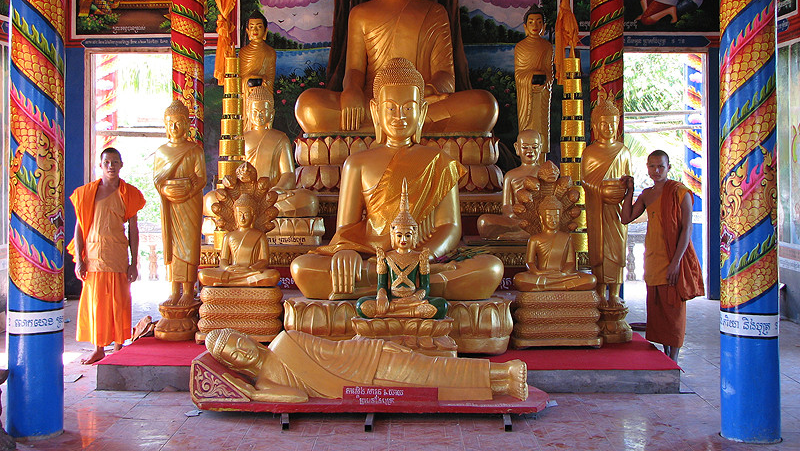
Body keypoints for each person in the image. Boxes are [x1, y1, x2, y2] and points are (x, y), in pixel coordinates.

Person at [290, 58, 504, 301]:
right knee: (303, 267)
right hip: (373, 258)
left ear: (422, 111)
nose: (399, 116)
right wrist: (346, 250)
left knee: (489, 268)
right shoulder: (357, 163)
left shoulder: (439, 160)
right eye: (390, 108)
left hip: (424, 259)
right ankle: (409, 286)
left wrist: (421, 258)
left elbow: (450, 227)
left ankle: (382, 286)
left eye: (408, 108)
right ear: (375, 111)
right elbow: (346, 229)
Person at [294, 0, 497, 134]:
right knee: (309, 105)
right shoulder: (361, 14)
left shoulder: (435, 13)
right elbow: (354, 69)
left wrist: (428, 89)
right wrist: (352, 90)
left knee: (483, 104)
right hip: (375, 106)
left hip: (418, 106)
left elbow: (446, 75)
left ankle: (370, 137)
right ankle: (409, 134)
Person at [205, 328, 528, 402]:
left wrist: (371, 346)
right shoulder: (265, 384)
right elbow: (297, 398)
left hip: (368, 361)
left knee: (431, 370)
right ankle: (501, 383)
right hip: (361, 386)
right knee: (432, 386)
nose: (241, 351)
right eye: (232, 355)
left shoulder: (285, 340)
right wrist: (251, 394)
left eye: (239, 342)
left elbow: (334, 349)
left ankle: (504, 371)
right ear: (231, 364)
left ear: (248, 338)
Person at [621, 150, 704, 361]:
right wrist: (629, 191)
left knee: (673, 308)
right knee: (657, 308)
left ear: (669, 168)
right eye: (652, 166)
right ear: (647, 167)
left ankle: (673, 355)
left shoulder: (680, 192)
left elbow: (687, 230)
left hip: (672, 257)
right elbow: (626, 217)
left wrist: (675, 262)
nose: (656, 171)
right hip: (653, 258)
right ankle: (665, 354)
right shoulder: (647, 194)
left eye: (660, 167)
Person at [69, 147, 145, 364]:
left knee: (120, 301)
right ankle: (99, 347)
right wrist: (79, 258)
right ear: (100, 165)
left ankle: (119, 345)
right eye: (107, 162)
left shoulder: (129, 193)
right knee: (97, 303)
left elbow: (133, 230)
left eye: (115, 162)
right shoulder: (87, 193)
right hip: (93, 254)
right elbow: (80, 227)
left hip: (118, 254)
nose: (111, 166)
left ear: (121, 165)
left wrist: (134, 262)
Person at [356, 179, 447, 319]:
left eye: (407, 235)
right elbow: (382, 284)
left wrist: (416, 297)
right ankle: (406, 313)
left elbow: (425, 286)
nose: (403, 240)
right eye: (399, 235)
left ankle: (393, 313)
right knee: (361, 305)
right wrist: (381, 297)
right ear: (393, 235)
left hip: (412, 301)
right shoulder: (387, 257)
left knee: (441, 306)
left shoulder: (420, 257)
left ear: (414, 235)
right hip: (391, 300)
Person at [581, 89, 631, 306]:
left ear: (618, 124)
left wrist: (624, 188)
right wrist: (601, 191)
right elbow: (584, 180)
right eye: (604, 124)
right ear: (595, 126)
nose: (608, 128)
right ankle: (601, 291)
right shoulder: (589, 152)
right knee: (599, 249)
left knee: (617, 250)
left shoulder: (623, 151)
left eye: (612, 123)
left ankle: (616, 293)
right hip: (598, 208)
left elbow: (628, 178)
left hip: (617, 208)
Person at [153, 100, 206, 306]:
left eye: (178, 123)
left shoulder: (195, 150)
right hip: (170, 205)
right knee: (173, 246)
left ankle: (188, 290)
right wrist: (167, 189)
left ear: (186, 125)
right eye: (170, 123)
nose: (174, 128)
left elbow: (201, 178)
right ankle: (174, 289)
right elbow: (157, 180)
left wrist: (188, 190)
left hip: (190, 203)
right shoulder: (161, 152)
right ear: (165, 126)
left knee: (189, 245)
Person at [242, 87, 317, 216]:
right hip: (246, 197)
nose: (258, 115)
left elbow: (288, 174)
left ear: (272, 113)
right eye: (254, 111)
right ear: (248, 113)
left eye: (263, 111)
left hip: (273, 197)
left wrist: (277, 189)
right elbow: (233, 172)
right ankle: (251, 211)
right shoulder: (241, 139)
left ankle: (255, 212)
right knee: (211, 200)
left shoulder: (280, 138)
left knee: (309, 200)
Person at [513, 196, 596, 291]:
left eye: (556, 216)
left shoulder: (566, 237)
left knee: (591, 279)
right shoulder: (534, 239)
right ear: (541, 217)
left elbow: (570, 262)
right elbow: (529, 262)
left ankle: (546, 287)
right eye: (549, 216)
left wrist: (563, 273)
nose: (553, 220)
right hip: (543, 275)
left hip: (562, 276)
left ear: (560, 216)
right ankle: (561, 286)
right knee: (519, 279)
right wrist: (537, 272)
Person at [198, 194, 279, 288]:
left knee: (273, 275)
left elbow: (264, 260)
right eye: (240, 214)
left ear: (253, 216)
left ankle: (233, 283)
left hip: (251, 272)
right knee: (203, 274)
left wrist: (251, 268)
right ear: (235, 215)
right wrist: (227, 268)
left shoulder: (260, 236)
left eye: (246, 214)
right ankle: (245, 282)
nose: (242, 218)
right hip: (232, 272)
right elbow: (223, 260)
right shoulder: (228, 236)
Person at [477, 129, 544, 240]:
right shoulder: (511, 175)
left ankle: (523, 233)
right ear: (517, 148)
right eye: (525, 147)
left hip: (538, 219)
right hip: (516, 219)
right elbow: (506, 206)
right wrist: (513, 213)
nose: (530, 151)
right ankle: (525, 233)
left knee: (550, 221)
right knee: (484, 222)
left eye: (534, 147)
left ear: (540, 148)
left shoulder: (544, 173)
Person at [514, 7, 553, 147]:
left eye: (538, 22)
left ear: (544, 26)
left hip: (542, 95)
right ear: (525, 26)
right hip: (526, 94)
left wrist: (545, 79)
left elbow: (550, 72)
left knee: (542, 126)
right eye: (531, 22)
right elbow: (518, 74)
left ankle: (542, 162)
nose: (535, 26)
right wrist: (531, 76)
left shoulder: (547, 47)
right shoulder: (520, 47)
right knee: (527, 129)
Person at [238, 12, 276, 125]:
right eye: (252, 27)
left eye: (259, 27)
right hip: (247, 94)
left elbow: (270, 79)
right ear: (247, 31)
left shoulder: (270, 52)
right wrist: (250, 80)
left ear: (265, 30)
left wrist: (262, 81)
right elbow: (240, 78)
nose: (255, 30)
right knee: (246, 123)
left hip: (263, 95)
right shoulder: (243, 52)